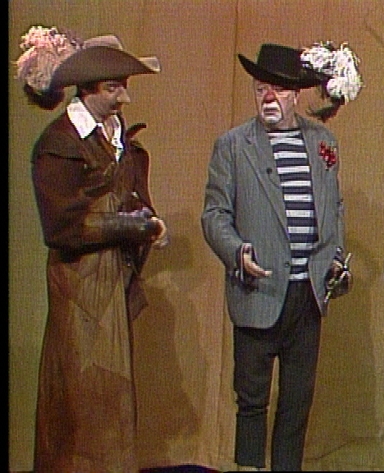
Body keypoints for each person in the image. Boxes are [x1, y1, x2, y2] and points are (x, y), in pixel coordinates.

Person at [15, 26, 169, 472]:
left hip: (114, 284)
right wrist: (130, 226)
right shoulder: (59, 145)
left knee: (114, 398)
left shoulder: (120, 142)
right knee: (80, 399)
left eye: (124, 86)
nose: (124, 98)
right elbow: (62, 226)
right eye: (114, 87)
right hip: (80, 290)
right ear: (88, 88)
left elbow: (131, 199)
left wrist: (149, 223)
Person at [201, 42, 361, 471]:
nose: (268, 97)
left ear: (295, 94)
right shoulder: (233, 146)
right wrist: (237, 254)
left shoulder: (323, 142)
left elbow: (334, 207)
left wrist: (335, 257)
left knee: (297, 401)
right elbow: (214, 214)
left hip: (307, 296)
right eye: (260, 89)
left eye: (278, 89)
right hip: (258, 291)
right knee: (252, 399)